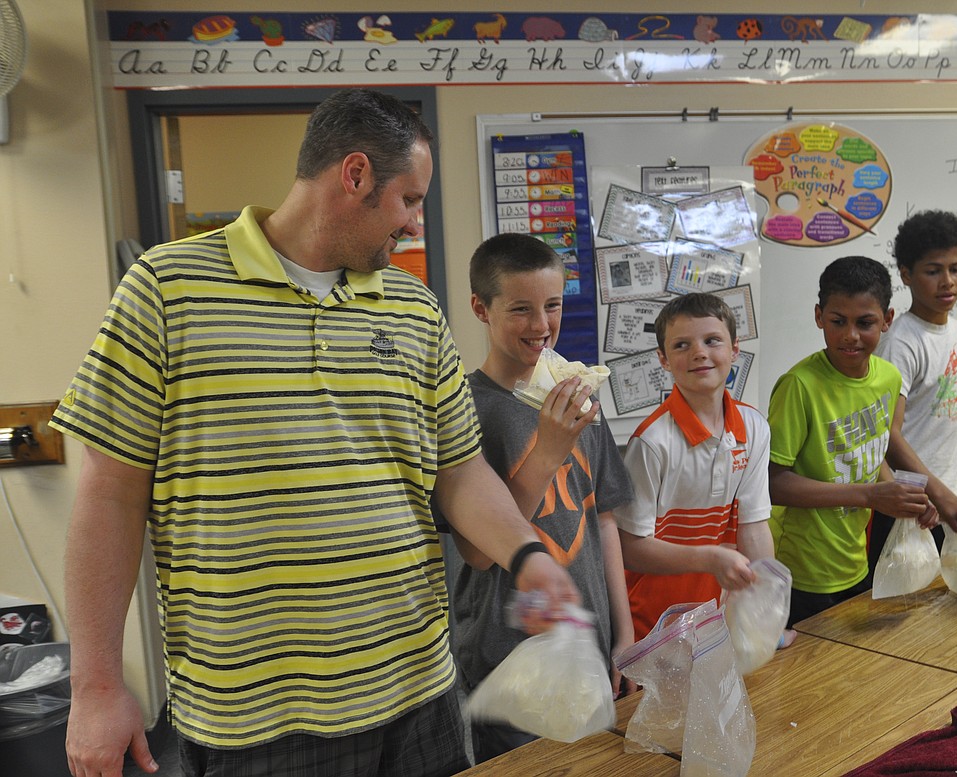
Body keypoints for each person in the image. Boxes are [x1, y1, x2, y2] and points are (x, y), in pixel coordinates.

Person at [50, 88, 577, 777]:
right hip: (255, 716)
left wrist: (526, 554)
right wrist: (94, 684)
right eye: (410, 201)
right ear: (355, 174)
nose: (417, 224)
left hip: (420, 693)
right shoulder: (166, 289)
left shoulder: (413, 308)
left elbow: (460, 472)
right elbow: (109, 494)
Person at [444, 233, 635, 762]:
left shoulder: (577, 393)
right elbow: (481, 552)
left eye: (552, 306)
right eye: (521, 310)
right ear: (481, 309)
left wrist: (623, 635)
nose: (541, 326)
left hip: (588, 646)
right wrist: (548, 450)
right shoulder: (464, 409)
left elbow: (603, 522)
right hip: (508, 659)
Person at [767, 256, 936, 626]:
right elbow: (772, 483)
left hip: (855, 561)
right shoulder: (799, 386)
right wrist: (869, 496)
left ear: (887, 320)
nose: (850, 336)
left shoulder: (888, 379)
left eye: (865, 323)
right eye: (837, 321)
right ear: (818, 316)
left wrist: (905, 500)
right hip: (802, 570)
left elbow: (869, 457)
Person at [615, 293, 778, 641]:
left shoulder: (753, 427)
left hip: (715, 619)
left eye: (712, 340)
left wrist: (763, 608)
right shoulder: (651, 442)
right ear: (663, 359)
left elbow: (754, 526)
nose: (699, 353)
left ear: (734, 349)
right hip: (653, 624)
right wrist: (710, 559)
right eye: (682, 345)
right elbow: (630, 549)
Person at [869, 210, 957, 575]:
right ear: (906, 274)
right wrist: (939, 495)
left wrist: (946, 496)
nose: (948, 282)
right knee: (898, 609)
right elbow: (887, 435)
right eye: (933, 270)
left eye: (956, 268)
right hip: (905, 503)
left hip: (942, 499)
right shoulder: (900, 342)